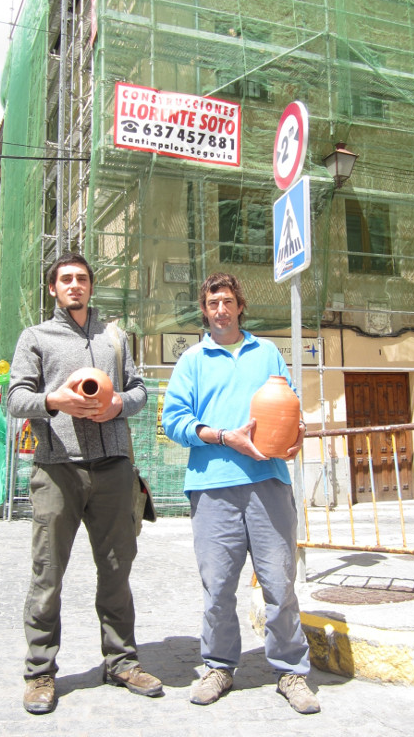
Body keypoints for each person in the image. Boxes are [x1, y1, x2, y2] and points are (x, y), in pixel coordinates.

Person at [7, 252, 162, 715]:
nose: (75, 285)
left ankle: (121, 662)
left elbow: (138, 389)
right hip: (57, 469)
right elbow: (16, 398)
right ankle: (39, 673)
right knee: (47, 574)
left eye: (82, 279)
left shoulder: (113, 337)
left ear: (91, 286)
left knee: (117, 571)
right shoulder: (36, 337)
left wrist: (119, 407)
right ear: (53, 287)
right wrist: (53, 401)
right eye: (66, 279)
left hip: (113, 467)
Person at [161, 272, 319, 714]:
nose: (220, 310)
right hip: (212, 488)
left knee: (279, 581)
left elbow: (290, 407)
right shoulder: (192, 360)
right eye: (212, 303)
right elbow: (174, 421)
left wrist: (298, 432)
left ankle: (291, 671)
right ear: (205, 309)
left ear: (239, 305)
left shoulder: (266, 352)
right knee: (218, 586)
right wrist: (223, 436)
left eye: (227, 301)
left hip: (269, 482)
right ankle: (218, 666)